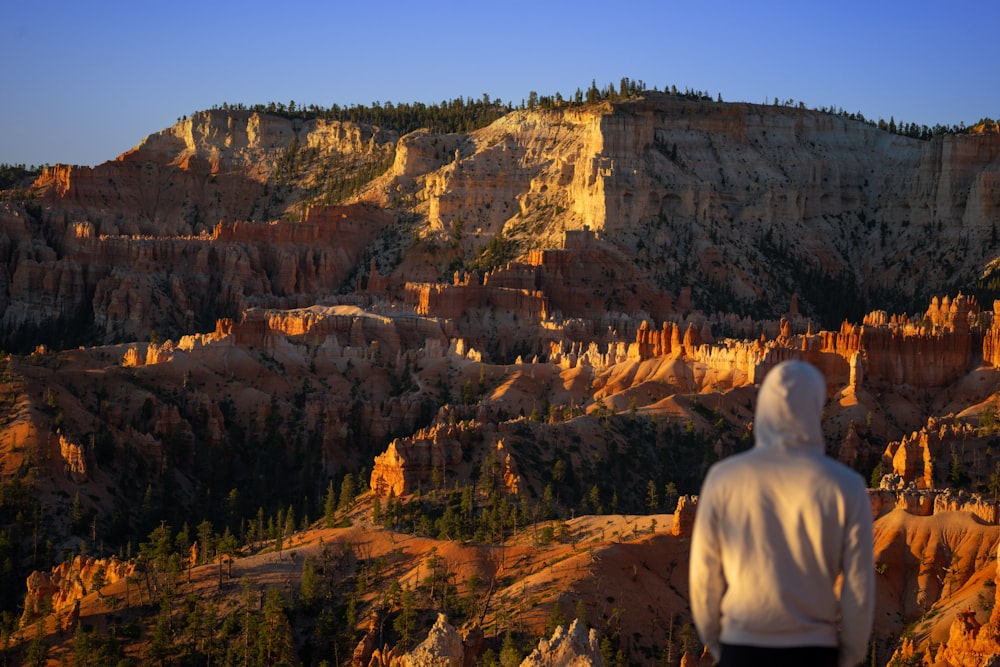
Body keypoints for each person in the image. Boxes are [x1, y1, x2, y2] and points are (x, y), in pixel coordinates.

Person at [689, 360, 875, 667]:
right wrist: (849, 654)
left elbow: (703, 575)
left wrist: (716, 643)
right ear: (816, 406)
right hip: (814, 649)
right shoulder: (847, 487)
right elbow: (859, 586)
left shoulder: (723, 478)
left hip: (742, 645)